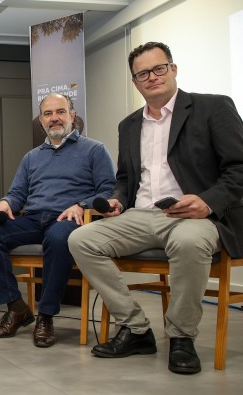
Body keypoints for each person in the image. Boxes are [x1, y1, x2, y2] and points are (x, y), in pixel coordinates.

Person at [68, 42, 243, 374]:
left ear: (173, 69)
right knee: (81, 240)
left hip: (196, 216)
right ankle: (136, 328)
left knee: (189, 241)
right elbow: (124, 178)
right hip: (142, 215)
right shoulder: (129, 125)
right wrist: (119, 198)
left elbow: (239, 168)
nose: (152, 77)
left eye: (159, 68)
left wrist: (206, 201)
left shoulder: (213, 108)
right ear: (135, 82)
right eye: (142, 73)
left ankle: (181, 337)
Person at [0, 93, 115, 347]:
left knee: (58, 237)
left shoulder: (94, 150)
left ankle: (46, 316)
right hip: (33, 219)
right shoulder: (31, 157)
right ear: (41, 121)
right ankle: (17, 307)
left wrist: (82, 205)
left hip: (69, 219)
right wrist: (5, 202)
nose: (54, 119)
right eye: (48, 114)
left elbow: (108, 190)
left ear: (72, 116)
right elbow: (17, 193)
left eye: (60, 112)